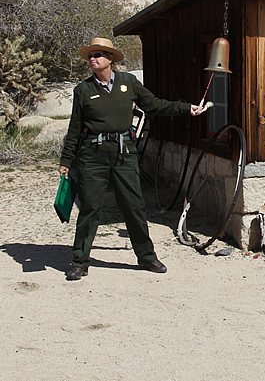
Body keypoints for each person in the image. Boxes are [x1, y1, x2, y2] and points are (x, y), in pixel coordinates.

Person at [58, 37, 204, 281]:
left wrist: (185, 108)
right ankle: (79, 261)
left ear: (110, 59)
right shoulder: (82, 90)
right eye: (91, 55)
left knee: (134, 207)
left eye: (99, 55)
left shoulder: (128, 83)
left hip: (124, 155)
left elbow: (154, 105)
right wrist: (66, 160)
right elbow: (75, 128)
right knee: (91, 209)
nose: (93, 59)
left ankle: (147, 257)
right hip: (92, 157)